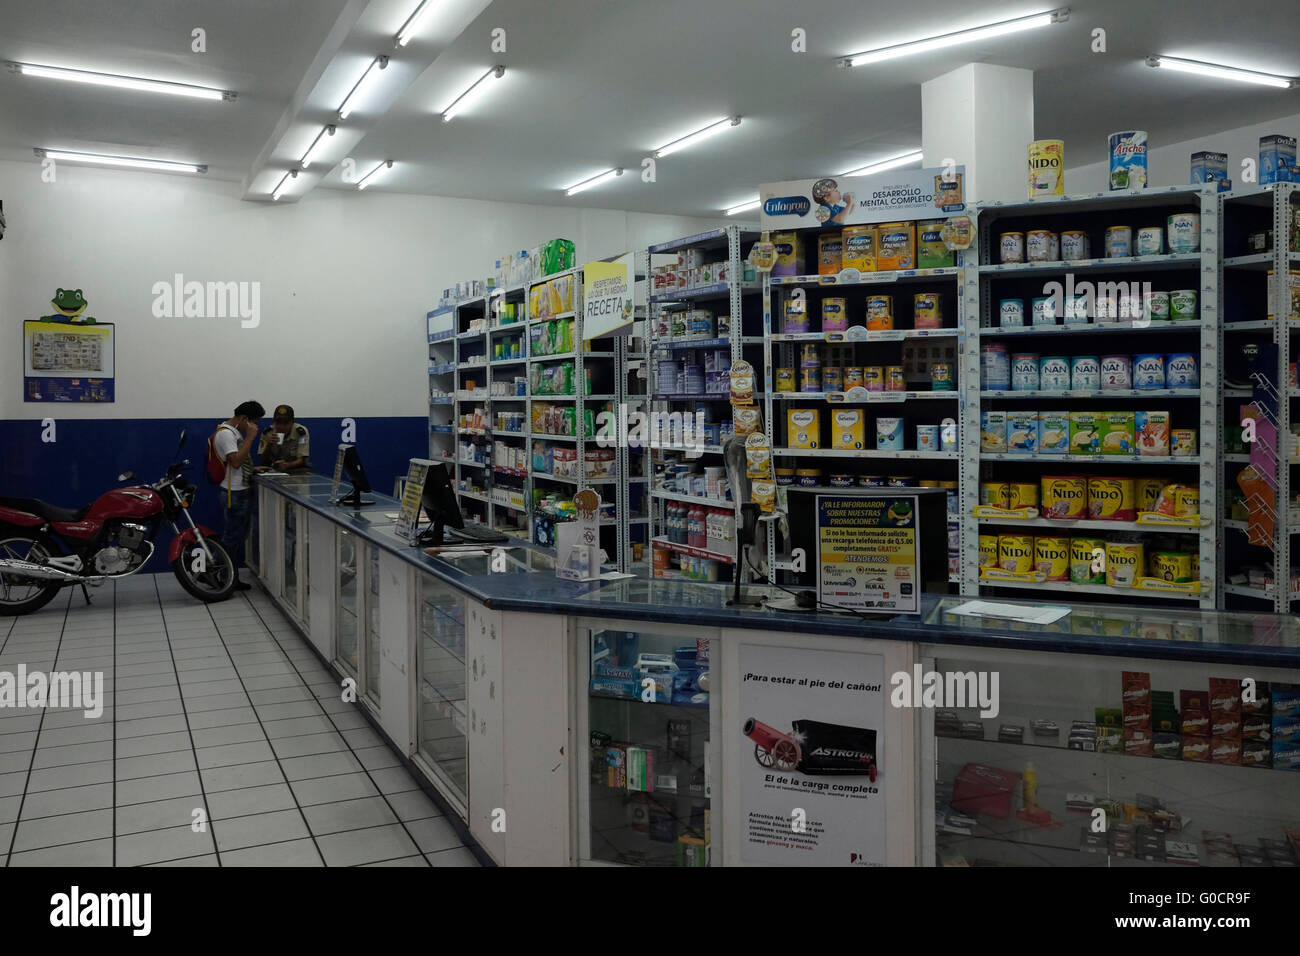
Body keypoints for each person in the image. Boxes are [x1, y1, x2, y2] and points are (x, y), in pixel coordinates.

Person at [213, 400, 264, 591]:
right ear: (244, 419)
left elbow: (236, 462)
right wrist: (250, 438)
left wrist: (252, 468)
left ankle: (228, 576)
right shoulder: (226, 434)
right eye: (254, 422)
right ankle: (216, 574)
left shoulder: (232, 433)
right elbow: (234, 462)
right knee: (232, 538)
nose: (255, 427)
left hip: (239, 491)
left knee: (236, 537)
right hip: (233, 494)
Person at [256, 404, 310, 473]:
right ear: (274, 422)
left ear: (292, 422)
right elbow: (263, 462)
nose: (282, 427)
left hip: (294, 469)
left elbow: (302, 460)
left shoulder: (301, 433)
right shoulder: (267, 433)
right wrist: (269, 445)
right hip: (273, 470)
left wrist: (287, 465)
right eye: (278, 423)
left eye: (286, 423)